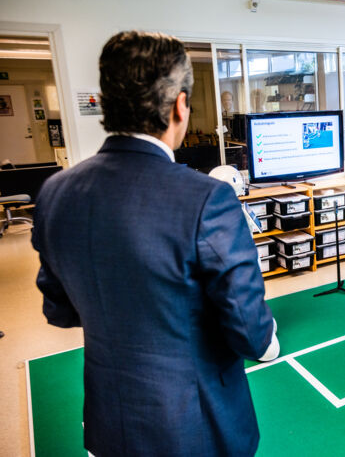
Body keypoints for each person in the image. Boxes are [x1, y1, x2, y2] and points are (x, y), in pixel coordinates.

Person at [31, 31, 278, 456]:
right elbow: (250, 333)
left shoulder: (54, 193)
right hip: (195, 429)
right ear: (180, 105)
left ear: (107, 103)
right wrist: (267, 336)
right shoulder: (206, 198)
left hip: (109, 422)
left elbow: (59, 309)